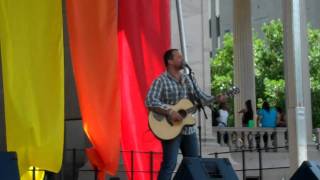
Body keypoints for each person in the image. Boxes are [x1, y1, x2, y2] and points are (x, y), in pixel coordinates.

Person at [145, 49, 225, 180]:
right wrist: (170, 111)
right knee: (169, 164)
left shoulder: (187, 79)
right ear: (170, 61)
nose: (183, 59)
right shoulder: (161, 80)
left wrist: (216, 98)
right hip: (169, 129)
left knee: (194, 164)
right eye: (179, 57)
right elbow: (150, 100)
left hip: (189, 129)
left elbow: (201, 97)